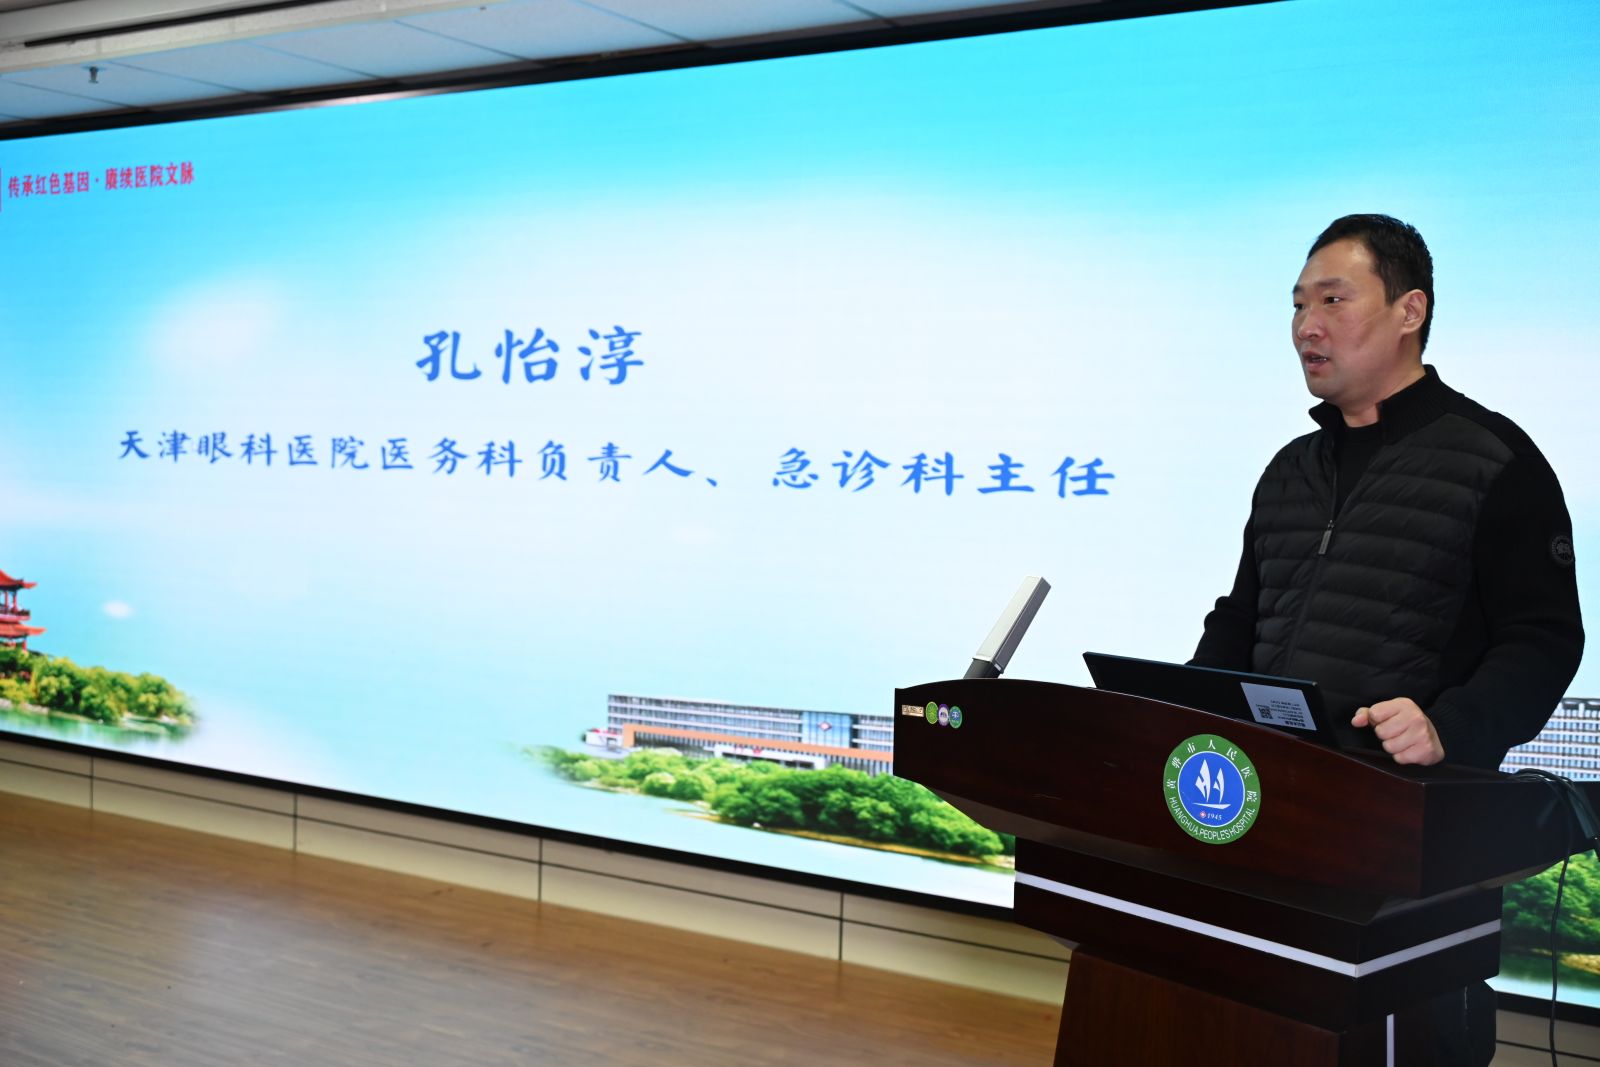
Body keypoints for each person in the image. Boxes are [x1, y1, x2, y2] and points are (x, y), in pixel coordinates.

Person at [1191, 214, 1583, 1065]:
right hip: (1262, 821)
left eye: (1333, 300)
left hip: (1407, 836)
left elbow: (1545, 638)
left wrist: (1451, 725)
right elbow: (1241, 619)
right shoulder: (1289, 470)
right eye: (1297, 304)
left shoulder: (1495, 459)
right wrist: (1177, 707)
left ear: (1410, 310)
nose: (1306, 326)